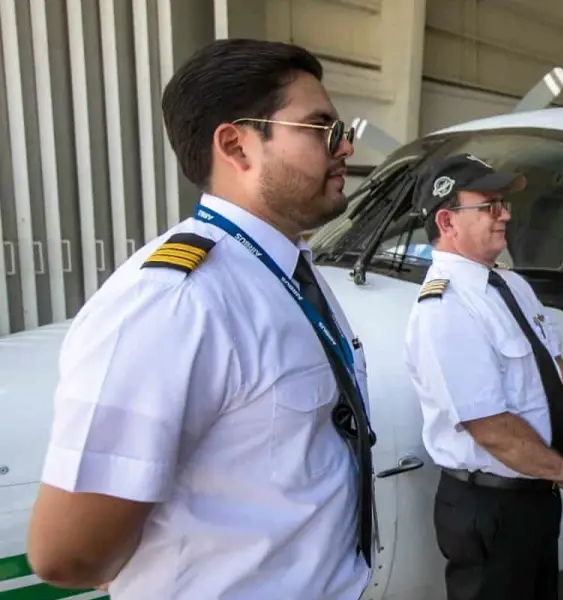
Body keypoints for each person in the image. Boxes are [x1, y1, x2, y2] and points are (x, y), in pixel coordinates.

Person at [25, 39, 375, 599]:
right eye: (320, 128)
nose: (346, 145)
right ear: (236, 145)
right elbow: (67, 553)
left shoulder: (285, 272)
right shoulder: (177, 301)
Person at [403, 153, 563, 600]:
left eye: (503, 205)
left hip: (535, 496)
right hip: (489, 508)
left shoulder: (512, 286)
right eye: (490, 206)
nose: (506, 214)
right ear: (447, 221)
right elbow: (491, 429)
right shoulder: (445, 308)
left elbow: (556, 363)